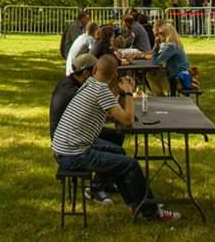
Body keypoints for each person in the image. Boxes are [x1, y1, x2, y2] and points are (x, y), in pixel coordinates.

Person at [52, 53, 180, 222]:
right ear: (114, 75)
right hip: (74, 155)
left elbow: (110, 103)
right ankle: (150, 212)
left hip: (64, 147)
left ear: (95, 69)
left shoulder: (90, 84)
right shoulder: (100, 91)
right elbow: (127, 120)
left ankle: (136, 204)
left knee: (119, 152)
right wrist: (127, 92)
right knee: (131, 164)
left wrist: (119, 91)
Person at [48, 53, 125, 205]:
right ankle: (96, 187)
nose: (97, 75)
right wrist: (115, 110)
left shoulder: (74, 83)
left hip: (73, 134)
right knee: (115, 141)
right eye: (95, 71)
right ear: (86, 72)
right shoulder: (71, 90)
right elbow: (96, 113)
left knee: (116, 137)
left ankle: (105, 179)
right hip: (70, 139)